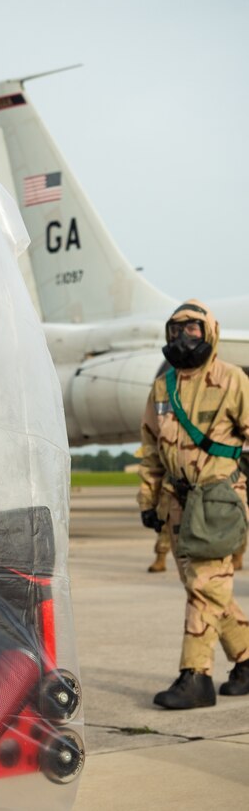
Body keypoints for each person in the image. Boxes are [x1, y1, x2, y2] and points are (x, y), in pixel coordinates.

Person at [139, 299, 249, 709]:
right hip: (177, 503)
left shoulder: (233, 380)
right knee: (205, 587)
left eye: (192, 329)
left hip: (218, 501)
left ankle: (195, 677)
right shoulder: (162, 388)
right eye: (176, 330)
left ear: (210, 333)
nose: (183, 338)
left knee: (205, 586)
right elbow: (151, 449)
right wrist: (149, 500)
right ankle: (247, 660)